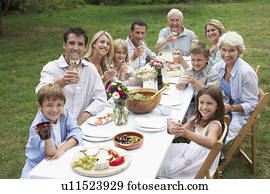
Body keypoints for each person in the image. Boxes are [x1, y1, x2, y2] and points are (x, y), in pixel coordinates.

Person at [35, 26, 107, 126]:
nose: (76, 48)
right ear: (64, 45)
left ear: (86, 48)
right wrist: (61, 83)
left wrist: (85, 116)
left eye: (80, 44)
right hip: (54, 124)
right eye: (72, 43)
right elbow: (40, 92)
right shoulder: (51, 67)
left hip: (82, 125)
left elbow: (101, 98)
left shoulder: (90, 69)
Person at [157, 86, 225, 179]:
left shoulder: (214, 125)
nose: (204, 107)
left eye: (209, 103)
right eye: (201, 102)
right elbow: (183, 130)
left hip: (199, 159)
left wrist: (186, 133)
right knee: (162, 152)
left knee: (161, 166)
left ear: (218, 106)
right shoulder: (199, 116)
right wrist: (179, 130)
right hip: (191, 149)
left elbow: (211, 143)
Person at [21, 83, 82, 178]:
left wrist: (62, 148)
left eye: (59, 105)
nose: (54, 110)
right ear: (40, 106)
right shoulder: (37, 126)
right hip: (38, 168)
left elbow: (77, 131)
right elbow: (51, 153)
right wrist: (47, 137)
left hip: (57, 162)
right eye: (49, 105)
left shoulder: (64, 113)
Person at [213, 31, 258, 143]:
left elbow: (252, 104)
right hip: (222, 107)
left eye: (231, 50)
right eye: (223, 50)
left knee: (216, 136)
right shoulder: (219, 67)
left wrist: (229, 108)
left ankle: (214, 156)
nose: (227, 54)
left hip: (239, 113)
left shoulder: (246, 73)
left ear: (239, 51)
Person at [176, 42, 220, 120]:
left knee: (190, 119)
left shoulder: (213, 74)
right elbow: (182, 79)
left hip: (210, 106)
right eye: (193, 60)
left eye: (199, 60)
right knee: (177, 113)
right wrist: (181, 85)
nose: (195, 63)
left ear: (207, 59)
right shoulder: (190, 70)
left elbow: (211, 93)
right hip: (195, 103)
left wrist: (195, 82)